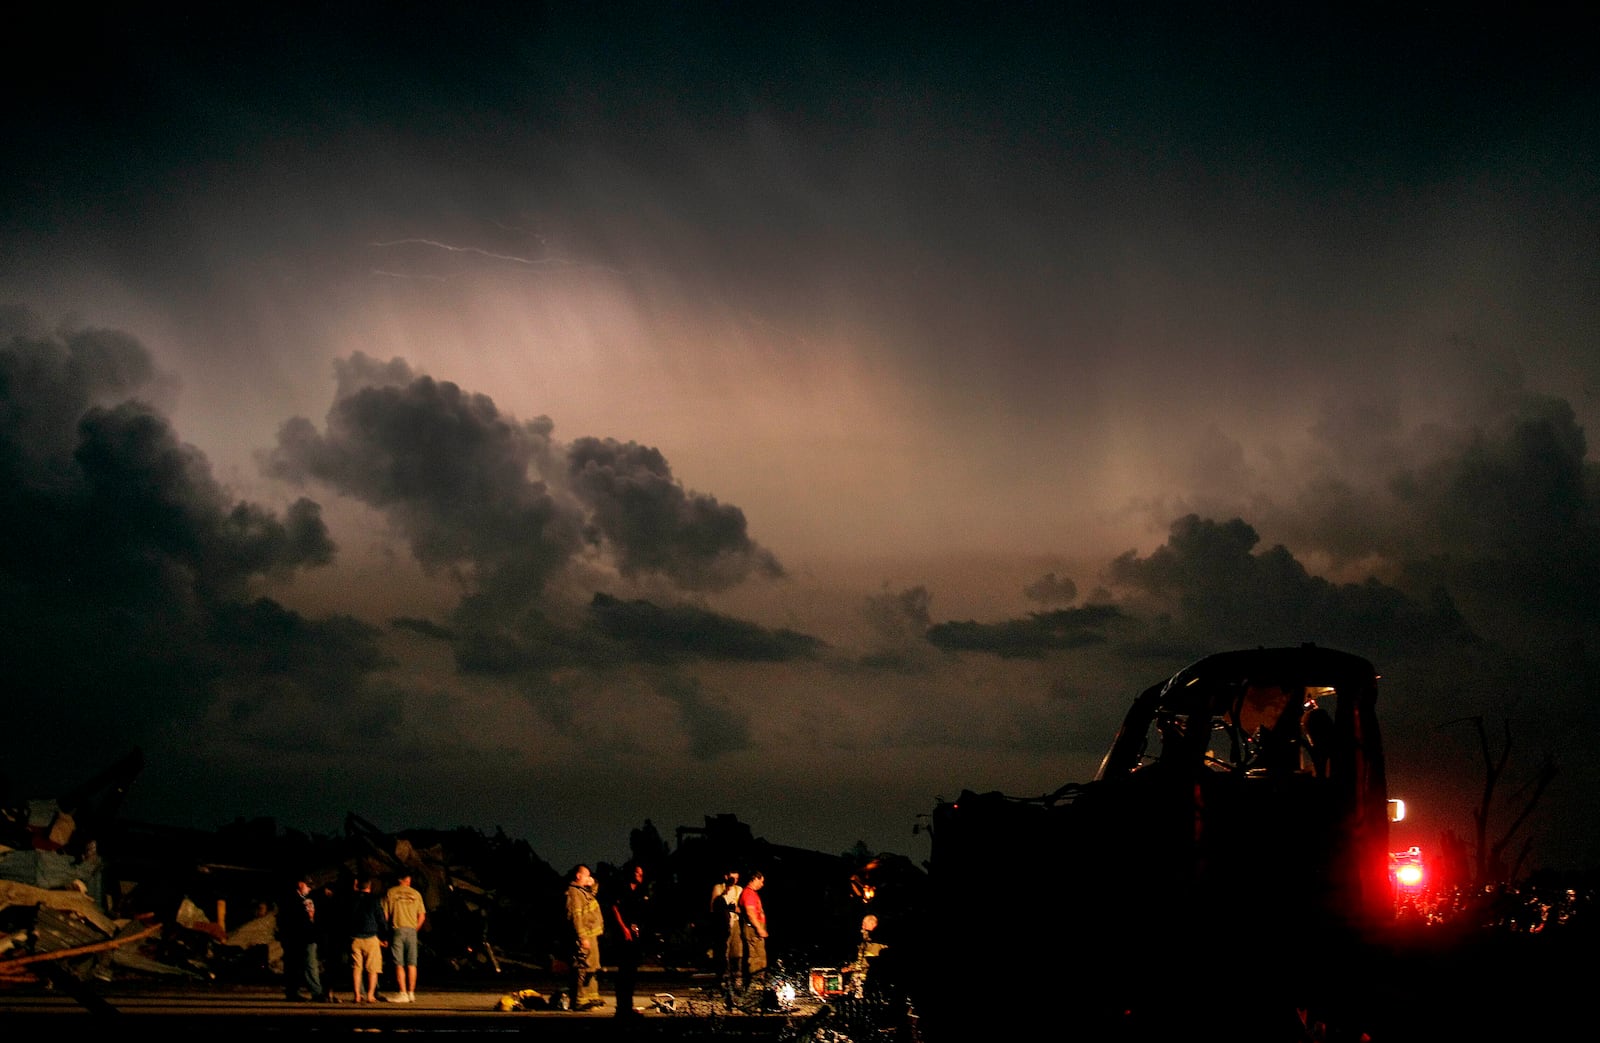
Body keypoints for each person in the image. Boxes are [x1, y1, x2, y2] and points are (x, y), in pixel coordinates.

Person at [606, 861, 649, 1018]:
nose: (640, 876)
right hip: (622, 936)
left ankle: (628, 1006)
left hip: (635, 936)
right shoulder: (622, 889)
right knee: (624, 972)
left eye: (641, 874)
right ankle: (622, 1007)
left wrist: (638, 928)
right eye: (637, 873)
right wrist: (624, 928)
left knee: (631, 973)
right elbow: (614, 908)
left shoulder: (640, 892)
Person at [564, 864, 605, 1011]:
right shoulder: (574, 892)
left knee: (593, 967)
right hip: (585, 935)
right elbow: (576, 916)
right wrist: (582, 937)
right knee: (583, 967)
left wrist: (593, 883)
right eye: (587, 876)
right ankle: (580, 1000)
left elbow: (593, 893)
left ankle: (592, 997)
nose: (589, 878)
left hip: (592, 935)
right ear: (578, 876)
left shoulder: (583, 892)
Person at [383, 870, 426, 1003]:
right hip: (412, 931)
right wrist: (415, 929)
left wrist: (385, 932)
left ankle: (403, 992)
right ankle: (411, 992)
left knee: (399, 963)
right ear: (407, 879)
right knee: (412, 963)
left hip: (397, 929)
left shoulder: (391, 892)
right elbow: (422, 916)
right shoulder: (416, 894)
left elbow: (385, 915)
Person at [279, 874, 323, 1001]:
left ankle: (299, 992)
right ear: (300, 884)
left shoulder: (307, 899)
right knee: (298, 965)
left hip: (306, 937)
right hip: (297, 937)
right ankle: (297, 992)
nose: (309, 889)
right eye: (307, 885)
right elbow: (289, 920)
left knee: (303, 965)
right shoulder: (291, 900)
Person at [348, 874, 388, 1003]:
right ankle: (370, 995)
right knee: (373, 968)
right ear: (369, 886)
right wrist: (385, 936)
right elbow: (381, 919)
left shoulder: (351, 899)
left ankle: (357, 995)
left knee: (356, 968)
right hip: (371, 937)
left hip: (354, 937)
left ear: (356, 886)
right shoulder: (374, 900)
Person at [709, 869, 743, 990]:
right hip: (722, 923)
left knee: (737, 950)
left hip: (735, 921)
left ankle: (737, 976)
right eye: (732, 878)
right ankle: (723, 976)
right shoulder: (719, 888)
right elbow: (715, 906)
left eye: (736, 879)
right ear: (726, 876)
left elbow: (739, 907)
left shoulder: (738, 889)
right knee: (723, 950)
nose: (734, 881)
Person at [738, 870, 769, 992]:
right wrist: (759, 928)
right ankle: (755, 988)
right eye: (761, 881)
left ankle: (757, 986)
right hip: (753, 929)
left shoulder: (750, 893)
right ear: (755, 879)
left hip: (754, 927)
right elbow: (750, 913)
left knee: (760, 957)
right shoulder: (749, 894)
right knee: (757, 958)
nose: (762, 884)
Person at [843, 913, 886, 998]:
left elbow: (868, 964)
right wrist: (850, 968)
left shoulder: (876, 945)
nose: (862, 927)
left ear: (873, 925)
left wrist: (852, 968)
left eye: (865, 924)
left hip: (868, 986)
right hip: (860, 983)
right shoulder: (864, 944)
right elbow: (861, 962)